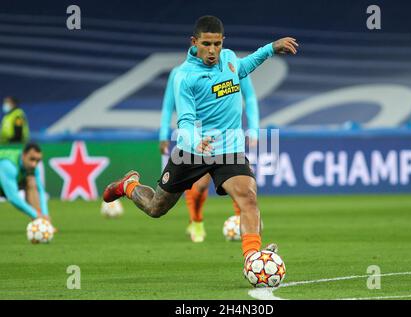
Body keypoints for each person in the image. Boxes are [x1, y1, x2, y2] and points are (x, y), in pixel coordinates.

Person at [103, 15, 298, 272]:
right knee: (155, 207)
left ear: (223, 41)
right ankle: (129, 186)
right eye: (207, 44)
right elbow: (184, 119)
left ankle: (252, 259)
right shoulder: (185, 76)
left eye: (217, 44)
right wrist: (196, 141)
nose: (213, 51)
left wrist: (271, 48)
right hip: (192, 151)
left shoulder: (228, 59)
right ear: (194, 42)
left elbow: (244, 66)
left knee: (248, 198)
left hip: (228, 149)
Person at [159, 63, 260, 242]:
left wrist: (254, 129)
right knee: (200, 186)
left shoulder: (233, 65)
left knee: (241, 185)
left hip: (227, 137)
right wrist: (163, 133)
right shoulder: (179, 73)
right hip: (197, 137)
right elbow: (168, 106)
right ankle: (196, 221)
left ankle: (243, 222)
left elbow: (250, 97)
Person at [0, 142, 51, 221]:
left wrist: (45, 214)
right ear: (23, 155)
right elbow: (13, 198)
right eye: (32, 159)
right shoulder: (9, 166)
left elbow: (40, 190)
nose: (34, 164)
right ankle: (38, 219)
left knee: (31, 183)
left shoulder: (32, 167)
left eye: (38, 161)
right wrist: (35, 214)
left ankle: (40, 223)